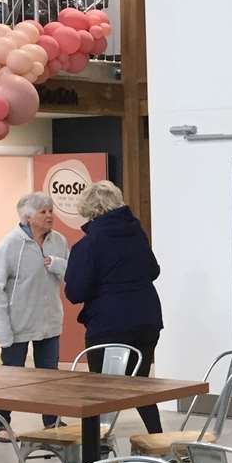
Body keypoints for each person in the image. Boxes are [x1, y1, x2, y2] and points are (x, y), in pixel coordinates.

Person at [64, 180, 165, 433]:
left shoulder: (88, 245)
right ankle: (157, 440)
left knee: (102, 390)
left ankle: (99, 453)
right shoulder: (136, 235)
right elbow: (154, 270)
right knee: (139, 384)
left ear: (89, 209)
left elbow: (75, 292)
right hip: (147, 319)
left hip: (109, 324)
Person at [0, 192, 69, 427]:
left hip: (49, 320)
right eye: (43, 212)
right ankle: (0, 423)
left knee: (49, 375)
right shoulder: (9, 244)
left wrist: (58, 264)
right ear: (28, 217)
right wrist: (1, 327)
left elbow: (71, 274)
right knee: (12, 375)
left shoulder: (59, 241)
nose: (49, 216)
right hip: (16, 322)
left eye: (50, 211)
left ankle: (52, 421)